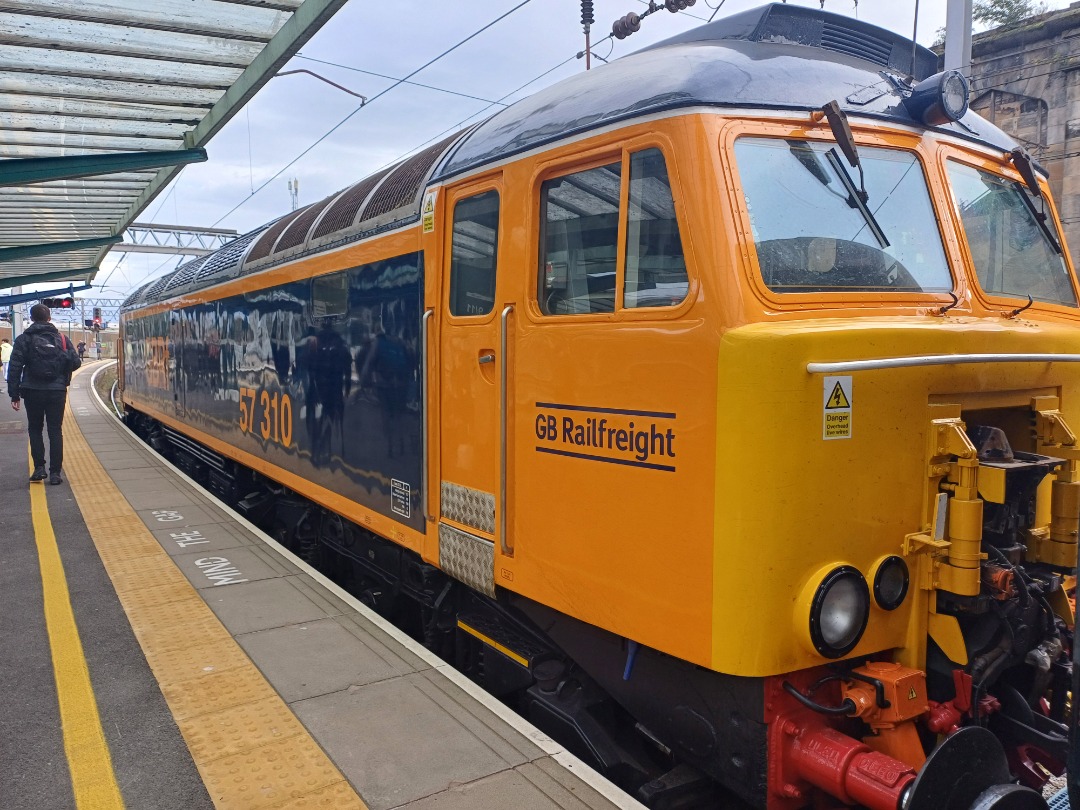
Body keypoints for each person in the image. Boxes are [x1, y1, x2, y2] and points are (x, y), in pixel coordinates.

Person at [8, 304, 82, 485]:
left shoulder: (24, 339)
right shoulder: (62, 339)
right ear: (49, 318)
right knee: (55, 430)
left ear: (32, 318)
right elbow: (76, 363)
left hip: (32, 390)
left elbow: (15, 367)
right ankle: (56, 474)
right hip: (56, 391)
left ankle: (39, 469)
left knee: (35, 429)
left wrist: (14, 394)